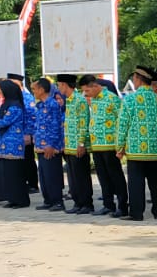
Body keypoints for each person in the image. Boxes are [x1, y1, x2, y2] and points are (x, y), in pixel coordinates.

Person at [117, 66, 157, 221]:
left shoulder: (130, 100)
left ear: (138, 79)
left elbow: (123, 125)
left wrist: (119, 146)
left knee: (135, 184)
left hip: (136, 149)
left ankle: (136, 213)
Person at [83, 76, 127, 217]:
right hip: (97, 145)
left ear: (96, 86)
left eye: (87, 90)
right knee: (102, 177)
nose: (86, 94)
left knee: (116, 176)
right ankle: (108, 205)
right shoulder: (94, 100)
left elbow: (121, 120)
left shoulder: (111, 99)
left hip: (109, 145)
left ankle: (122, 205)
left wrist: (121, 143)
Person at [58, 74, 93, 214]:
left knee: (82, 176)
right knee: (73, 177)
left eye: (59, 84)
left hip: (78, 145)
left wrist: (81, 143)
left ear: (65, 85)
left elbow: (83, 123)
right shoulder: (70, 100)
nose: (58, 87)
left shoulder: (80, 100)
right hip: (69, 145)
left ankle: (86, 203)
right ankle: (78, 202)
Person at [31, 77, 66, 212]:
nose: (33, 91)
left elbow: (55, 126)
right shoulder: (40, 105)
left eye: (35, 88)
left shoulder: (52, 104)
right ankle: (48, 200)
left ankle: (57, 201)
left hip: (50, 146)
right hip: (40, 145)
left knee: (53, 175)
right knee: (44, 176)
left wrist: (51, 144)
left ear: (42, 89)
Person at [0, 79, 31, 209]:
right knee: (7, 173)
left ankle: (20, 199)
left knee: (15, 173)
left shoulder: (15, 106)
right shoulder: (5, 105)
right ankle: (12, 198)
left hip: (14, 144)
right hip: (5, 142)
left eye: (0, 89)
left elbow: (3, 122)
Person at [7, 72, 39, 194]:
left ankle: (32, 184)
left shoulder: (26, 97)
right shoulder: (14, 97)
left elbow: (31, 116)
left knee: (28, 159)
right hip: (15, 134)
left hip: (25, 133)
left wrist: (28, 133)